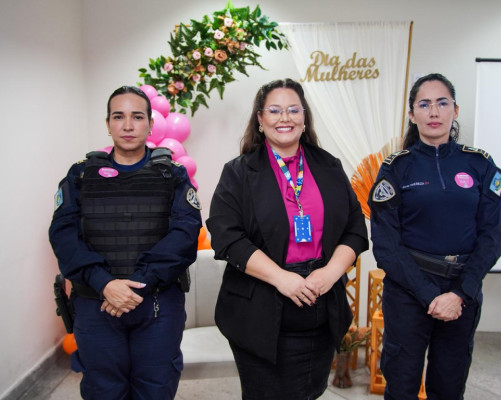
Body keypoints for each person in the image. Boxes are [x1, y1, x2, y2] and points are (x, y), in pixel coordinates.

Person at [206, 78, 369, 400]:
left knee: (309, 391)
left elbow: (355, 228)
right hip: (260, 309)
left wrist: (331, 272)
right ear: (260, 119)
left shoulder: (329, 166)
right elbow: (227, 237)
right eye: (275, 110)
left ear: (305, 118)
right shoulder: (239, 172)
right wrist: (282, 278)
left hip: (321, 302)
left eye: (294, 110)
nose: (285, 118)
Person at [49, 86, 202, 400]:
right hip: (96, 304)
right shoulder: (80, 175)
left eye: (137, 117)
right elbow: (64, 235)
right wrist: (104, 283)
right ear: (108, 124)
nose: (128, 125)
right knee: (103, 390)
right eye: (119, 117)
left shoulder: (172, 175)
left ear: (150, 124)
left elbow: (185, 235)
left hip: (157, 305)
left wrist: (138, 284)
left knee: (156, 389)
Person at [369, 73, 501, 400]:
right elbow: (386, 245)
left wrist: (459, 293)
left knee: (449, 387)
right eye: (424, 104)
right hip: (409, 291)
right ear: (412, 114)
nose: (434, 112)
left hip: (462, 292)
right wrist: (430, 296)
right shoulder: (395, 168)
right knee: (401, 387)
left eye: (442, 103)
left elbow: (492, 238)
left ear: (455, 110)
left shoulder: (481, 165)